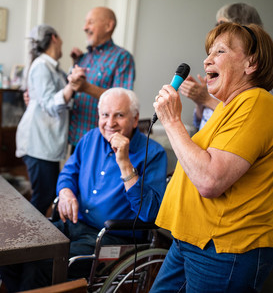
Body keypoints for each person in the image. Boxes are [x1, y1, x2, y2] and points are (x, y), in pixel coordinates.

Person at [150, 23, 273, 292]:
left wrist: (171, 122)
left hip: (224, 251)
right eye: (208, 52)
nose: (207, 59)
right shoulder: (229, 107)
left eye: (220, 51)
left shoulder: (257, 104)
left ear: (251, 63)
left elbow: (209, 180)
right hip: (193, 241)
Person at [1, 87, 167, 291]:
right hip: (73, 223)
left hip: (110, 238)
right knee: (15, 253)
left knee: (40, 266)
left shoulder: (153, 153)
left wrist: (124, 163)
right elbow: (68, 173)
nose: (110, 123)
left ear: (135, 120)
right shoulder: (90, 138)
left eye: (120, 115)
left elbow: (151, 214)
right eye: (105, 115)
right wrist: (65, 192)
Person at [15, 24, 73, 215]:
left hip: (45, 144)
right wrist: (72, 86)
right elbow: (50, 104)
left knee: (49, 195)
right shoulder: (41, 66)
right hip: (37, 143)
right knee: (44, 196)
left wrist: (74, 66)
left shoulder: (52, 68)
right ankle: (27, 238)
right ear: (54, 38)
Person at [180, 2, 263, 130]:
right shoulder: (217, 72)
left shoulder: (258, 77)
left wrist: (206, 99)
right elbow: (200, 121)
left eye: (222, 24)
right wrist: (199, 102)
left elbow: (243, 119)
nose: (206, 61)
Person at [67, 6, 135, 150]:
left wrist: (86, 87)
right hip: (76, 139)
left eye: (90, 22)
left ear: (108, 26)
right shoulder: (83, 58)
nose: (85, 27)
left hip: (102, 142)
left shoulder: (122, 57)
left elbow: (123, 100)